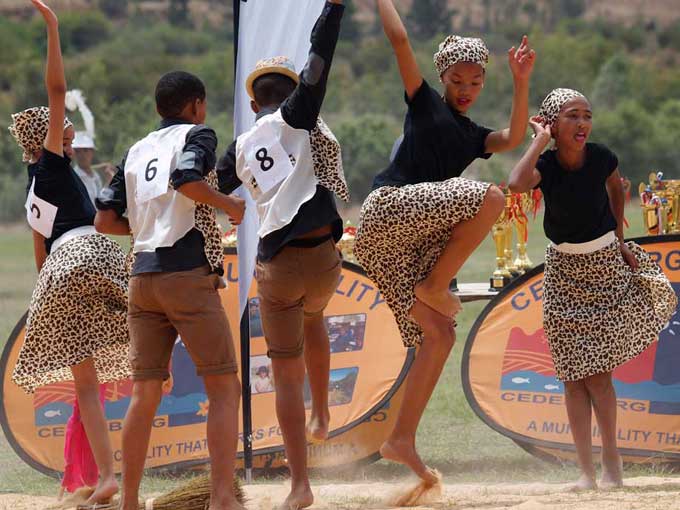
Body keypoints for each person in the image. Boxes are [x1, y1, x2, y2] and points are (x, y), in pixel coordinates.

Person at [353, 0, 536, 483]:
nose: (466, 89)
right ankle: (435, 286)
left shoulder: (475, 135)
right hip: (388, 213)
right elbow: (399, 41)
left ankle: (400, 439)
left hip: (401, 248)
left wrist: (520, 82)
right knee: (492, 198)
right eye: (458, 80)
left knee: (439, 335)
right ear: (442, 78)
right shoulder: (424, 101)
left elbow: (514, 136)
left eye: (476, 82)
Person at [507, 88, 676, 490]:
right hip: (562, 273)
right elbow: (515, 183)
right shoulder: (544, 164)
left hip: (603, 267)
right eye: (571, 116)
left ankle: (611, 464)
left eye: (587, 115)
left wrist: (619, 237)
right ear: (552, 124)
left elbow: (617, 188)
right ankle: (585, 471)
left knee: (598, 377)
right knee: (570, 377)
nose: (582, 123)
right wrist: (538, 140)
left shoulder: (602, 157)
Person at [94, 70, 246, 510]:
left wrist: (145, 226)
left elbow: (104, 219)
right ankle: (221, 496)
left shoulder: (136, 149)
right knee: (223, 387)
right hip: (185, 274)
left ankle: (130, 501)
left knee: (144, 395)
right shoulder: (199, 135)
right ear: (196, 104)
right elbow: (186, 180)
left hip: (141, 277)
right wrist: (230, 205)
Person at [216, 2, 346, 508]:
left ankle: (300, 485)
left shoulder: (242, 145)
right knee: (315, 315)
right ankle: (324, 415)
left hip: (278, 266)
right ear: (291, 95)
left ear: (253, 105)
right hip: (326, 262)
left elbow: (212, 190)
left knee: (285, 376)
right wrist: (332, 8)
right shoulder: (301, 118)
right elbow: (319, 59)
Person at [8, 1, 129, 505]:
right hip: (94, 252)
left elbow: (41, 264)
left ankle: (105, 477)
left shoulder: (34, 188)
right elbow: (58, 89)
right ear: (49, 138)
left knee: (85, 387)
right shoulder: (58, 162)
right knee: (156, 324)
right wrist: (53, 28)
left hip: (57, 271)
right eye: (58, 127)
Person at [72, 131, 104, 205]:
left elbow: (100, 201)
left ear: (92, 152)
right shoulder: (73, 178)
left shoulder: (96, 176)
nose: (82, 155)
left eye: (85, 150)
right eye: (77, 151)